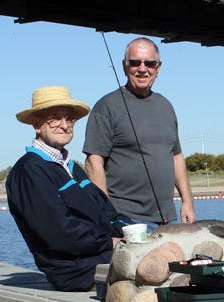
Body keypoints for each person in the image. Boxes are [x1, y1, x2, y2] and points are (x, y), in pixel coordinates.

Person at [6, 86, 133, 291]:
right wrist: (110, 243)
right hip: (77, 272)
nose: (65, 125)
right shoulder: (28, 170)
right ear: (37, 125)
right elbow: (59, 231)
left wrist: (129, 231)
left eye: (69, 118)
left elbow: (106, 211)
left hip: (101, 256)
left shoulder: (72, 167)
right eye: (54, 118)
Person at [83, 37, 195, 228]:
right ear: (124, 66)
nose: (142, 69)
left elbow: (176, 156)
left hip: (167, 218)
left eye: (149, 63)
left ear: (158, 68)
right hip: (126, 219)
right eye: (135, 63)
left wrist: (187, 202)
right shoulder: (107, 106)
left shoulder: (165, 106)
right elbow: (93, 162)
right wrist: (107, 215)